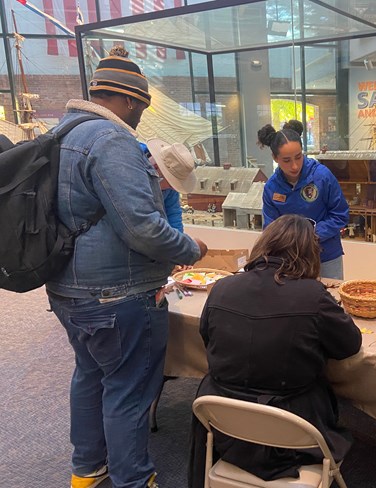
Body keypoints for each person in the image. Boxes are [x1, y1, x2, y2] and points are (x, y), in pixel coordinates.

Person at [46, 46, 208, 488]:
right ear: (131, 101)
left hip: (66, 291)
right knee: (129, 389)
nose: (140, 119)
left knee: (90, 376)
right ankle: (133, 479)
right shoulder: (112, 140)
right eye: (141, 109)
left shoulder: (60, 133)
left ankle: (86, 470)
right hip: (118, 296)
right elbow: (142, 229)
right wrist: (192, 249)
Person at [188, 214, 361, 488]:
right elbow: (350, 345)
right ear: (310, 253)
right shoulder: (313, 295)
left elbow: (207, 338)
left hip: (225, 428)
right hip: (295, 432)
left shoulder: (221, 288)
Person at [259, 120, 349, 280]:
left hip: (326, 255)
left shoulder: (322, 176)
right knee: (297, 302)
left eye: (298, 157)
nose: (294, 166)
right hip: (290, 260)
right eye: (286, 160)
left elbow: (340, 215)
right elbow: (270, 228)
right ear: (275, 158)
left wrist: (310, 235)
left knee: (331, 299)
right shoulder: (271, 188)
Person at [146, 138, 198, 232]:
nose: (172, 188)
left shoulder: (169, 187)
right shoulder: (130, 165)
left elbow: (173, 214)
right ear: (156, 168)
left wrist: (180, 243)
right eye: (171, 184)